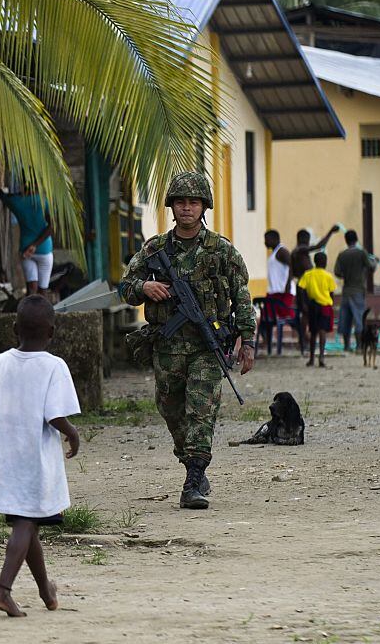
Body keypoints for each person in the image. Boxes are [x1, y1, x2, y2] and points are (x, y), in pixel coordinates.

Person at [118, 172, 256, 510]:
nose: (187, 208)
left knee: (201, 409)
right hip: (166, 346)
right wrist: (144, 288)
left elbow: (241, 296)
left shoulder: (222, 251)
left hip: (207, 346)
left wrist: (248, 340)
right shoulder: (155, 248)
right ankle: (191, 461)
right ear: (172, 207)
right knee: (170, 407)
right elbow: (125, 286)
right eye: (181, 202)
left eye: (193, 202)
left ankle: (194, 478)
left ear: (204, 207)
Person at [0, 295, 81, 617]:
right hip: (35, 462)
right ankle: (2, 590)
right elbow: (54, 415)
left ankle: (46, 590)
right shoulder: (53, 366)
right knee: (26, 521)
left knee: (27, 522)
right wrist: (72, 432)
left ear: (14, 328)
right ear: (52, 332)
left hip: (5, 458)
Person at [0, 182, 55, 295]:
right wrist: (35, 245)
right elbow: (52, 226)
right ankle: (41, 312)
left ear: (23, 185)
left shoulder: (16, 202)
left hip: (25, 250)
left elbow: (0, 194)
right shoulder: (44, 200)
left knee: (31, 289)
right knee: (42, 291)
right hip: (44, 250)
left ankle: (28, 312)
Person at [289, 225, 340, 348]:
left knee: (305, 314)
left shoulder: (294, 253)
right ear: (304, 239)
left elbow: (293, 272)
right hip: (306, 286)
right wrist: (330, 232)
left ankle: (303, 340)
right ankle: (304, 341)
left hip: (301, 285)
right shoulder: (301, 249)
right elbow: (319, 246)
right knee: (307, 315)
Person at [333, 230, 374, 352]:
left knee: (345, 319)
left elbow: (337, 272)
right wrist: (375, 261)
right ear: (356, 239)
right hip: (358, 291)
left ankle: (346, 346)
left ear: (346, 241)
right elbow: (370, 267)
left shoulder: (342, 255)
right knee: (359, 318)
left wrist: (347, 275)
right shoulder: (362, 253)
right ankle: (359, 346)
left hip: (346, 291)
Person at [263, 229, 299, 352]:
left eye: (266, 239)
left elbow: (291, 265)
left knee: (288, 319)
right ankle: (268, 345)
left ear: (274, 239)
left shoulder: (282, 251)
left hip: (283, 293)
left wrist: (288, 283)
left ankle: (303, 341)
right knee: (265, 320)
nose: (265, 242)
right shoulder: (274, 254)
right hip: (273, 292)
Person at [299, 251, 336, 367]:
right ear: (325, 262)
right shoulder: (328, 276)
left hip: (313, 305)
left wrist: (304, 304)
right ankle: (321, 357)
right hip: (325, 305)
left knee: (313, 331)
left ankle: (311, 359)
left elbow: (300, 289)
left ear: (314, 262)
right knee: (323, 331)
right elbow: (332, 292)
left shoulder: (308, 274)